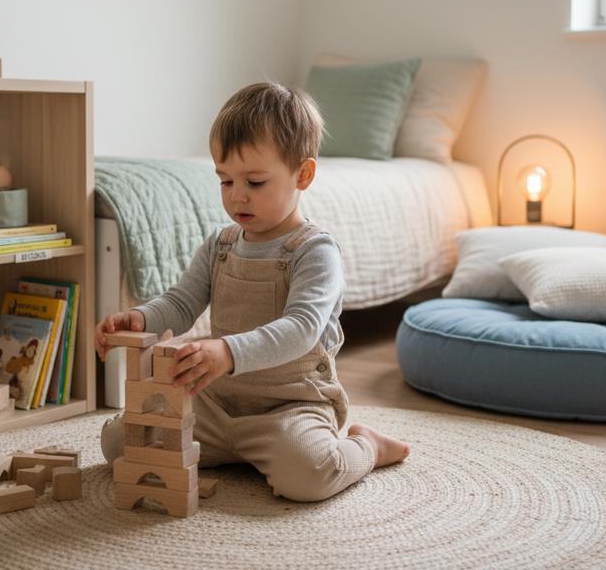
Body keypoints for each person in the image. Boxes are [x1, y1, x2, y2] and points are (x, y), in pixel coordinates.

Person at [95, 82, 409, 502]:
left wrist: (227, 352)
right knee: (120, 443)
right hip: (217, 402)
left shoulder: (315, 251)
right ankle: (233, 451)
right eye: (225, 180)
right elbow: (182, 302)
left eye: (255, 182)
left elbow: (301, 329)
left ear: (304, 174)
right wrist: (142, 317)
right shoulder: (220, 245)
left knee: (310, 475)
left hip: (288, 406)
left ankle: (367, 445)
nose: (236, 195)